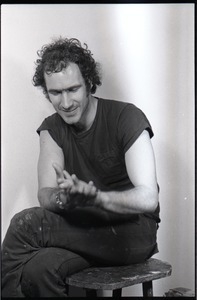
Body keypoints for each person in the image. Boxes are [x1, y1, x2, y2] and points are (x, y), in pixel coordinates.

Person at [2, 37, 160, 297]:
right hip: (84, 229)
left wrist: (96, 198)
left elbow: (148, 198)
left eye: (72, 89)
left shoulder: (126, 117)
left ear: (88, 83)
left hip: (132, 232)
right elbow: (46, 194)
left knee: (25, 224)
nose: (65, 103)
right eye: (55, 93)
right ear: (46, 92)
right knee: (40, 268)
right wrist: (65, 199)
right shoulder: (51, 128)